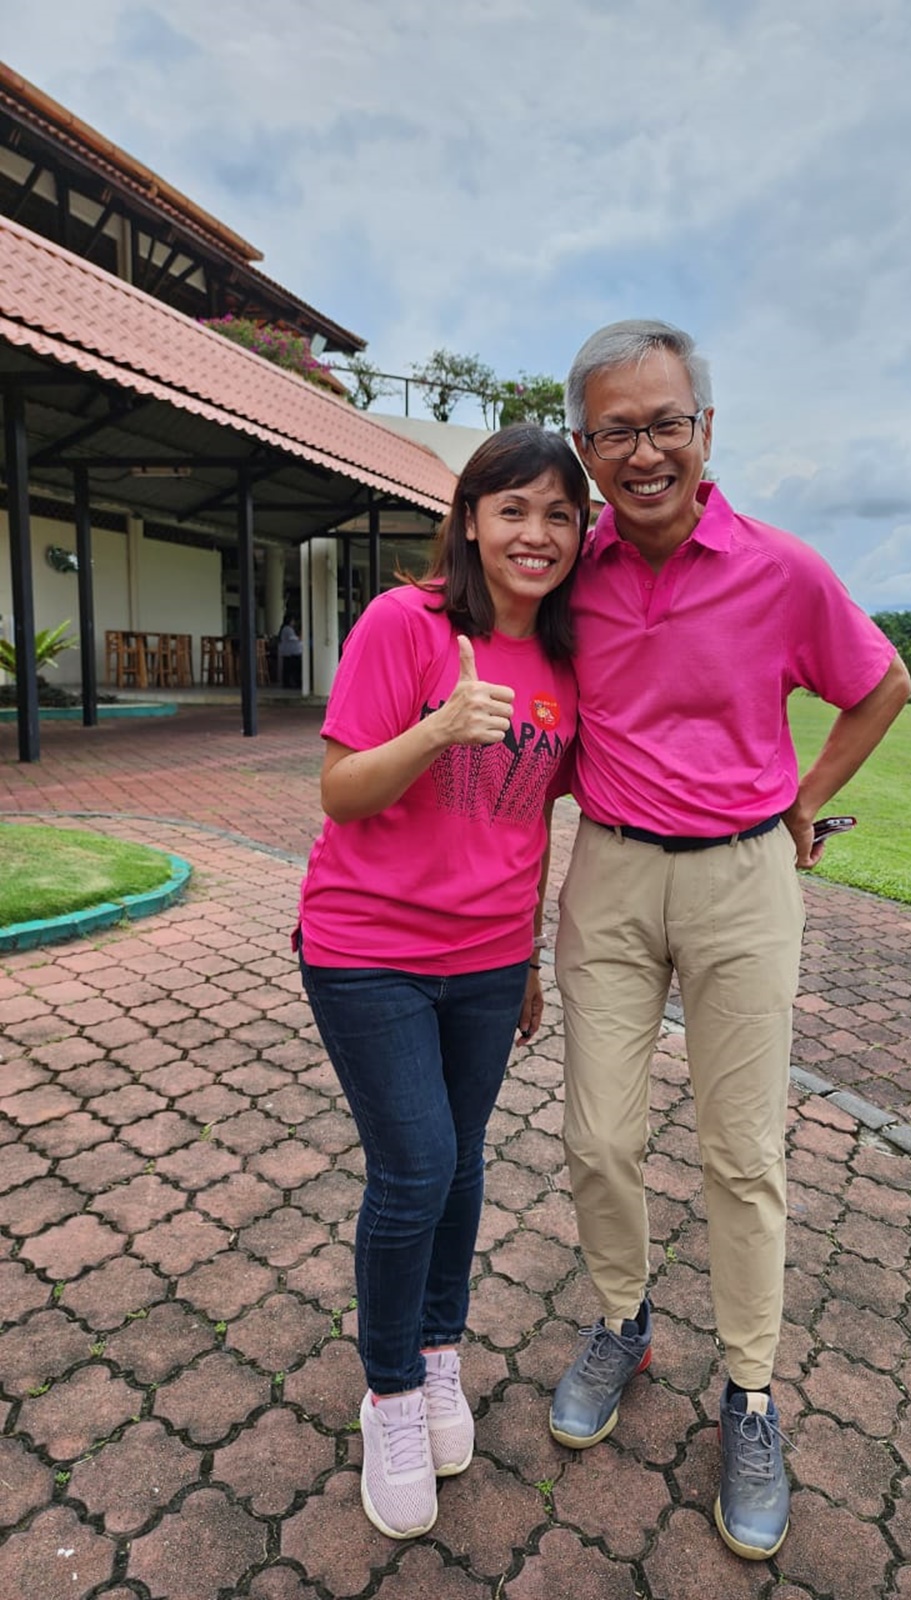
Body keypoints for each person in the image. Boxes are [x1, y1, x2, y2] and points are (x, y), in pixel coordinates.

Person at [548, 320, 910, 1560]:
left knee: (742, 1152)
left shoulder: (781, 568)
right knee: (598, 1133)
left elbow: (883, 682)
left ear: (706, 430)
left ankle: (750, 1392)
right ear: (586, 447)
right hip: (607, 871)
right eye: (614, 430)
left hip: (744, 880)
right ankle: (622, 1315)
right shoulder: (570, 574)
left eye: (663, 423)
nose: (641, 451)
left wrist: (807, 799)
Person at [296, 425, 590, 1541]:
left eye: (560, 514)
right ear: (471, 517)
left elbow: (536, 827)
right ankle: (389, 1393)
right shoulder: (406, 624)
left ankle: (437, 1347)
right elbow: (340, 792)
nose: (537, 533)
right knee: (414, 1167)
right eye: (514, 508)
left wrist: (523, 957)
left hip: (482, 965)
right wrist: (436, 728)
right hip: (368, 949)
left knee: (463, 1163)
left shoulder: (566, 660)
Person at [278, 615, 303, 689]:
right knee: (292, 668)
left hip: (290, 652)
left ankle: (289, 682)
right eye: (292, 621)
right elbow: (292, 638)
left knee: (288, 669)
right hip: (291, 653)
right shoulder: (287, 629)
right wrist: (299, 638)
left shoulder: (287, 629)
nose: (294, 622)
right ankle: (291, 682)